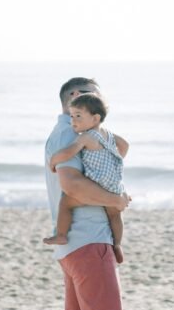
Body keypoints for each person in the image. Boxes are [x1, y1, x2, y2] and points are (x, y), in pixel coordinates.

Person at [45, 77, 131, 310]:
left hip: (74, 245)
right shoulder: (70, 133)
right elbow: (71, 185)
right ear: (75, 100)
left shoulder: (67, 131)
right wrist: (115, 200)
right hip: (88, 239)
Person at [43, 92, 129, 264]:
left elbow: (70, 152)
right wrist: (118, 157)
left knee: (66, 203)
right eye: (72, 115)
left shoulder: (86, 137)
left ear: (95, 119)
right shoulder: (108, 134)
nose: (73, 120)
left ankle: (61, 235)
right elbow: (124, 145)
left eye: (78, 116)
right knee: (114, 216)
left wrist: (53, 160)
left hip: (97, 184)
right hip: (114, 186)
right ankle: (117, 244)